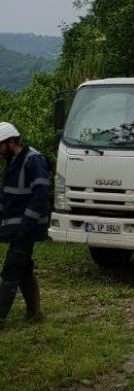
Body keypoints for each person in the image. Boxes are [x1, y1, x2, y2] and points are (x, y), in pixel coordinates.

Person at [0, 122, 49, 329]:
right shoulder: (12, 161)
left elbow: (40, 196)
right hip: (17, 226)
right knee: (23, 268)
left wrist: (25, 226)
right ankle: (34, 313)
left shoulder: (33, 160)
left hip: (27, 228)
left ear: (11, 142)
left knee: (11, 269)